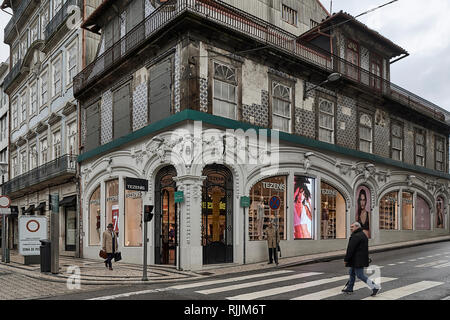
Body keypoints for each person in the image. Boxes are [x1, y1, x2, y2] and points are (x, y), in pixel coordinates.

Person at [342, 222, 380, 296]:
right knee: (351, 273)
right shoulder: (363, 235)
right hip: (358, 259)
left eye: (352, 227)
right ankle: (350, 288)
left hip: (357, 260)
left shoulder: (356, 236)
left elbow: (350, 249)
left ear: (357, 227)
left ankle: (374, 287)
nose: (351, 228)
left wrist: (346, 259)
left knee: (360, 275)